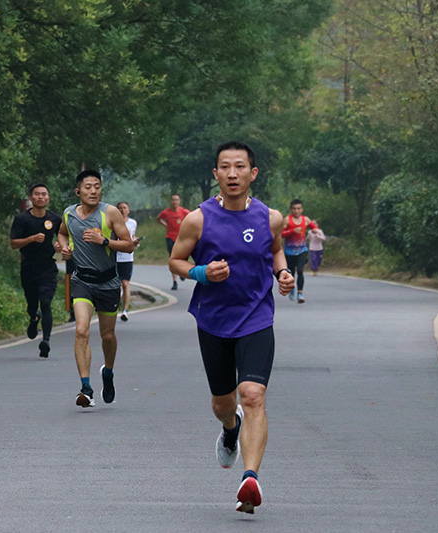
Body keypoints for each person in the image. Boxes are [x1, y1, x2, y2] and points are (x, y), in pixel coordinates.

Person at [169, 141, 294, 514]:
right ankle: (229, 428)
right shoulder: (198, 219)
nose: (233, 174)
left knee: (252, 394)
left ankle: (250, 478)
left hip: (256, 317)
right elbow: (175, 260)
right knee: (224, 404)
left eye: (240, 167)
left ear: (253, 174)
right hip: (213, 320)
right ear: (216, 174)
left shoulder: (270, 217)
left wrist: (283, 273)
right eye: (226, 167)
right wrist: (200, 272)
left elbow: (275, 249)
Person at [58, 170, 135, 407]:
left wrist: (103, 241)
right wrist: (65, 249)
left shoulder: (109, 212)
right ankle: (86, 388)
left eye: (97, 186)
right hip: (82, 281)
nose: (93, 191)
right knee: (81, 330)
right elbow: (61, 234)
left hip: (108, 282)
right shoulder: (69, 214)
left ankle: (108, 373)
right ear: (78, 191)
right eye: (88, 187)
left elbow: (129, 245)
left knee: (107, 335)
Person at [10, 184, 62, 357]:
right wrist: (31, 239)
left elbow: (64, 236)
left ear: (48, 198)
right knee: (32, 304)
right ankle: (34, 318)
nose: (40, 197)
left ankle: (46, 340)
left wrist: (60, 246)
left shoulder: (55, 219)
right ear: (31, 198)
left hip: (48, 267)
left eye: (43, 194)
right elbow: (13, 243)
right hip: (28, 267)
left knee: (46, 301)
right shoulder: (22, 219)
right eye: (37, 194)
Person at [282, 199, 318, 303]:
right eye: (294, 209)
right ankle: (292, 288)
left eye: (298, 209)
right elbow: (281, 234)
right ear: (291, 209)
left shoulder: (305, 219)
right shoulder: (287, 220)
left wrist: (315, 230)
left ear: (302, 209)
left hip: (302, 250)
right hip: (289, 251)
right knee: (291, 272)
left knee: (301, 271)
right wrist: (292, 231)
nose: (296, 211)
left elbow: (314, 227)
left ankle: (300, 294)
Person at [157, 194, 191, 290]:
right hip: (170, 237)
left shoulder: (183, 211)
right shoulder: (166, 212)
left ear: (179, 201)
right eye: (173, 200)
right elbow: (158, 219)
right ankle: (175, 281)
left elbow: (193, 217)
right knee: (172, 258)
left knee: (183, 257)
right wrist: (165, 225)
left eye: (176, 200)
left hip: (181, 237)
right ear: (170, 201)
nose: (175, 202)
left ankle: (182, 272)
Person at [115, 201, 141, 322]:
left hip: (127, 258)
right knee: (116, 285)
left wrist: (135, 242)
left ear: (128, 210)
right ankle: (114, 308)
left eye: (124, 208)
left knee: (125, 284)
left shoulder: (133, 223)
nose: (122, 210)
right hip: (115, 257)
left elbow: (133, 237)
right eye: (120, 208)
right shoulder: (112, 223)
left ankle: (125, 310)